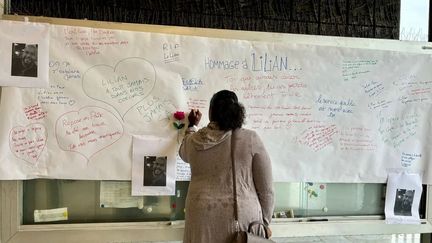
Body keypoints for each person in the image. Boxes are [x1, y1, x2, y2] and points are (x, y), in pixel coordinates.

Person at [179, 90, 274, 243]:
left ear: (211, 113)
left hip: (199, 216)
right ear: (237, 111)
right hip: (242, 220)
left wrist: (192, 125)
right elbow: (266, 189)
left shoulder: (193, 141)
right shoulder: (250, 139)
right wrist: (264, 222)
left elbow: (183, 153)